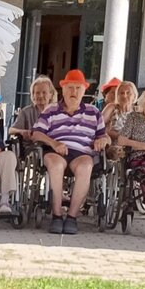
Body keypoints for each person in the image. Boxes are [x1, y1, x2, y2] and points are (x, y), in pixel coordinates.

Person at [33, 69, 108, 235]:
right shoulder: (51, 110)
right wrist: (53, 143)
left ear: (84, 90)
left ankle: (72, 217)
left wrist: (103, 140)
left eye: (78, 88)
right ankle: (57, 215)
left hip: (82, 153)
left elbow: (104, 136)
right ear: (63, 89)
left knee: (86, 166)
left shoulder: (94, 112)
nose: (74, 91)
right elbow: (36, 133)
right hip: (56, 151)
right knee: (55, 165)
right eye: (70, 87)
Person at [116, 89, 145, 202]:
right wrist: (143, 146)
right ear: (142, 105)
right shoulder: (134, 117)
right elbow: (121, 140)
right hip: (138, 157)